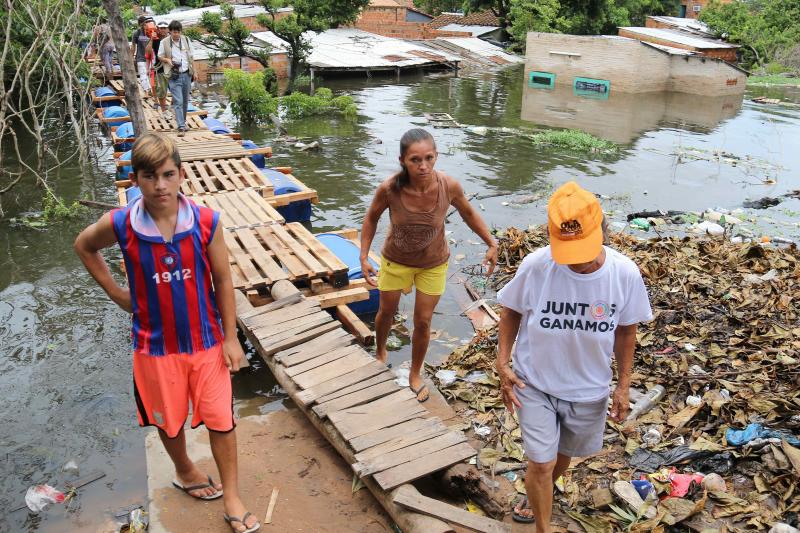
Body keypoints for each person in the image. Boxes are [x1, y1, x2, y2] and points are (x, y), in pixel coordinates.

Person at [74, 133, 261, 533]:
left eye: (167, 174)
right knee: (168, 419)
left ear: (181, 175)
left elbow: (224, 280)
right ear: (134, 179)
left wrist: (230, 338)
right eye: (149, 176)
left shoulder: (206, 222)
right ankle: (186, 470)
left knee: (220, 420)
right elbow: (84, 245)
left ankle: (232, 495)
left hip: (206, 342)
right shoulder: (122, 224)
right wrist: (116, 293)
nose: (159, 185)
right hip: (154, 348)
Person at [494, 181, 653, 532]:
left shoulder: (624, 274)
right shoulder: (537, 266)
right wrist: (503, 364)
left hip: (588, 389)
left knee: (562, 455)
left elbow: (626, 332)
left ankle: (543, 487)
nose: (576, 262)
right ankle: (542, 525)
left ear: (600, 232)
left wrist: (624, 386)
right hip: (533, 381)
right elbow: (510, 311)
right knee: (540, 461)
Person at [360, 128, 498, 402]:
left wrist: (491, 243)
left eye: (428, 158)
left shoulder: (449, 186)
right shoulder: (389, 189)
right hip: (396, 261)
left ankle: (414, 373)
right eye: (415, 160)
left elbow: (469, 213)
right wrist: (364, 256)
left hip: (433, 263)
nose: (422, 166)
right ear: (402, 160)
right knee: (386, 311)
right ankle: (380, 352)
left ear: (436, 157)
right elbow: (371, 218)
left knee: (422, 321)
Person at [158, 20, 195, 137]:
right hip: (173, 75)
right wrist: (168, 60)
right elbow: (159, 56)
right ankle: (181, 126)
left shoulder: (186, 40)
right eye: (174, 32)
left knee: (185, 100)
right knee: (178, 100)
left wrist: (195, 72)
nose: (176, 34)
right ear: (170, 32)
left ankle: (182, 122)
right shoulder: (164, 42)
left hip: (186, 73)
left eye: (178, 32)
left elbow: (191, 57)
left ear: (181, 31)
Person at [148, 21, 171, 117]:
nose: (163, 30)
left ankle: (172, 107)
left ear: (168, 29)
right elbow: (148, 51)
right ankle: (164, 111)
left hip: (172, 66)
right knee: (161, 91)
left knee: (176, 88)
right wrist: (151, 39)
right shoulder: (156, 40)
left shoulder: (171, 38)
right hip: (160, 67)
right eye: (161, 28)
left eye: (165, 28)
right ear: (158, 29)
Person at [130, 16, 152, 95]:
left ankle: (150, 90)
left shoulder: (153, 32)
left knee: (150, 75)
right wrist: (131, 58)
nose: (145, 25)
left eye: (146, 23)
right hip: (141, 57)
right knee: (143, 75)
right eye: (143, 24)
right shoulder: (137, 33)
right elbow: (133, 46)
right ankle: (147, 90)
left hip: (151, 58)